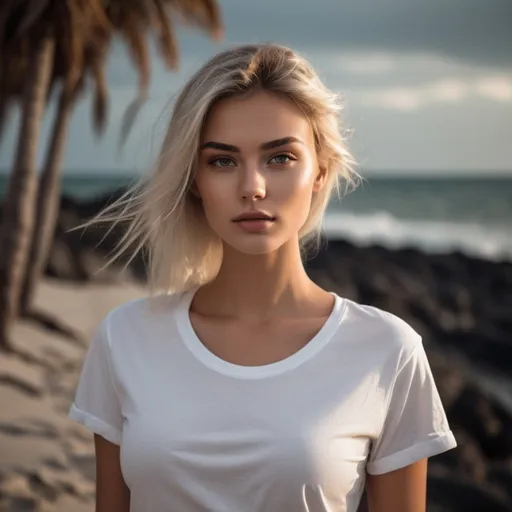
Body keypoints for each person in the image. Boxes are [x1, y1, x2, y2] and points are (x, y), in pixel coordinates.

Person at [69, 43, 457, 512]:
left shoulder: (387, 351)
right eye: (222, 160)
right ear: (195, 180)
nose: (252, 187)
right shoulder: (126, 338)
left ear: (320, 170)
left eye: (280, 158)